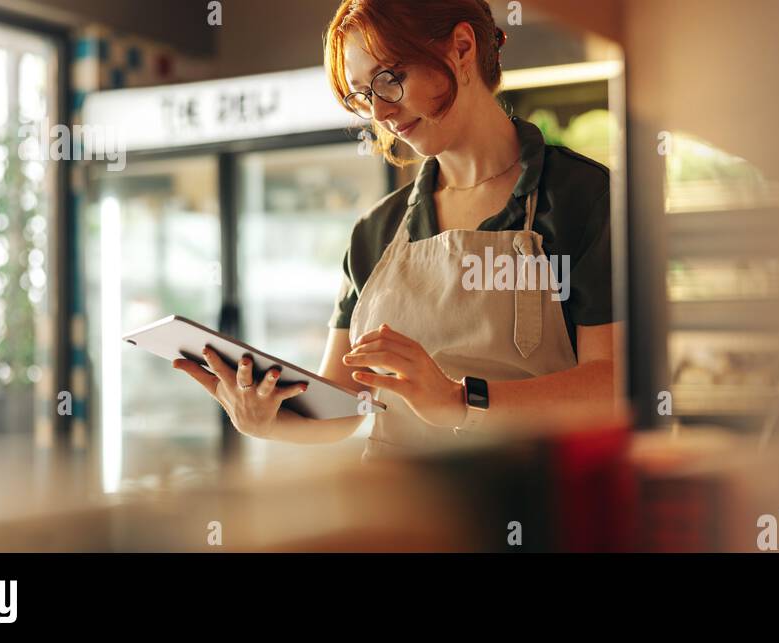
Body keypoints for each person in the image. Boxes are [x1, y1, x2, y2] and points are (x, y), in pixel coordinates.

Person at [174, 0, 618, 461]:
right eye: (363, 96)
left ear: (462, 49)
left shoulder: (580, 198)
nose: (381, 114)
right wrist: (267, 420)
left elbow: (612, 382)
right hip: (396, 516)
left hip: (529, 511)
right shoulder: (376, 231)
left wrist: (460, 403)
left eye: (390, 80)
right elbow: (348, 406)